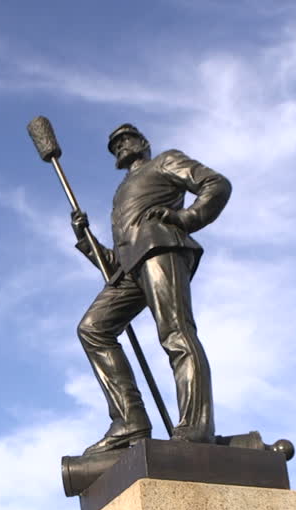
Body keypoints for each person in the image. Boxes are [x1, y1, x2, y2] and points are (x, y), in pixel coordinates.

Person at [71, 123, 231, 455]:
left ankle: (197, 427)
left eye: (125, 139)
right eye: (114, 145)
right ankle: (130, 420)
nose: (119, 145)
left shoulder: (165, 162)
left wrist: (186, 218)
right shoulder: (120, 194)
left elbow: (216, 184)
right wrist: (87, 243)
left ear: (143, 142)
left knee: (176, 334)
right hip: (132, 267)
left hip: (161, 248)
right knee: (92, 329)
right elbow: (117, 262)